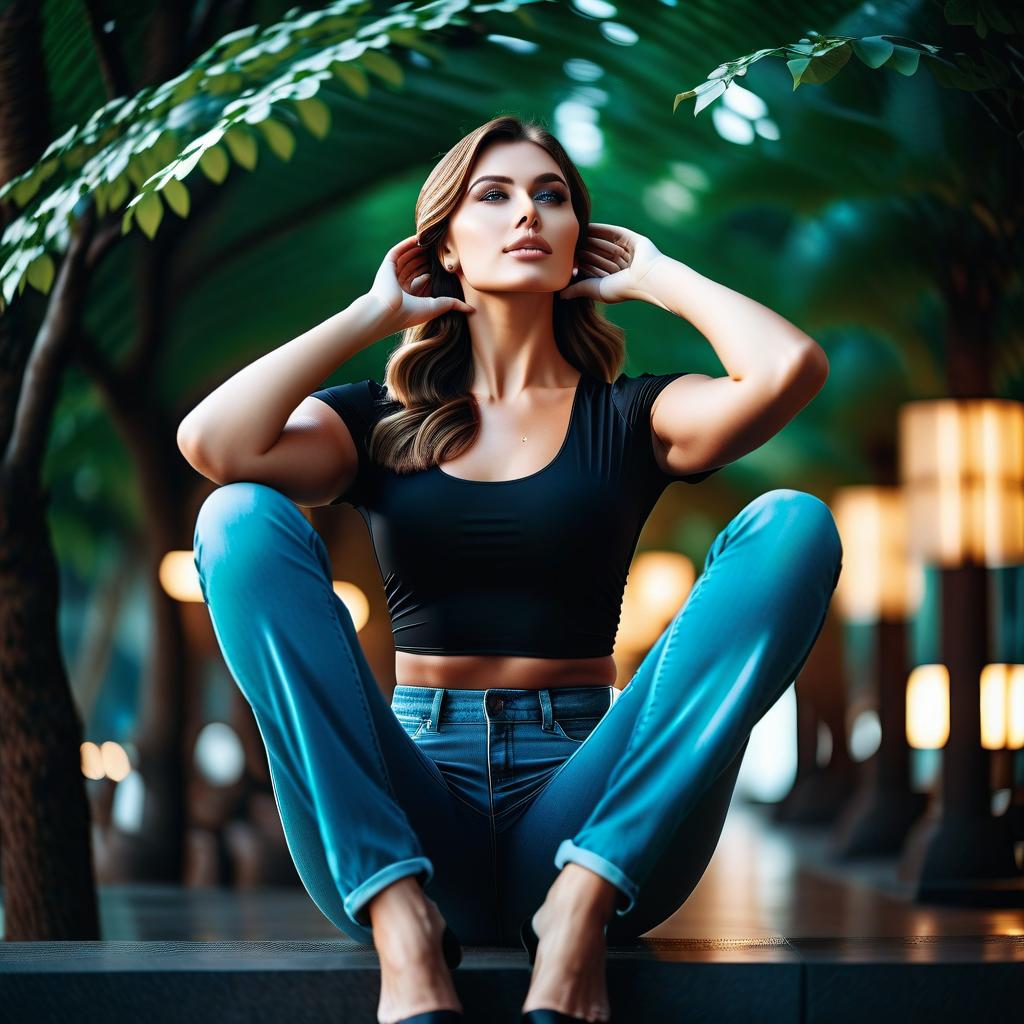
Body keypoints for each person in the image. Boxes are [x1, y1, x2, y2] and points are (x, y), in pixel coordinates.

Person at [179, 116, 841, 1024]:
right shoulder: (379, 422)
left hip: (598, 801)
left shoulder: (630, 418)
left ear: (581, 241)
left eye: (552, 195)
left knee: (793, 524)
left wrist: (657, 277)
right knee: (236, 518)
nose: (528, 212)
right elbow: (213, 445)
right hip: (405, 814)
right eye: (493, 195)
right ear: (441, 245)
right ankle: (401, 919)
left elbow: (790, 369)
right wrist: (371, 314)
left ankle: (578, 905)